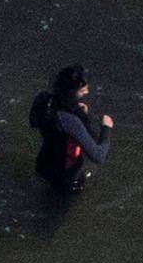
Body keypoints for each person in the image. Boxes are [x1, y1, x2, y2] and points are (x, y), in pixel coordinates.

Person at [27, 65, 113, 194]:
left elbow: (34, 122)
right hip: (66, 179)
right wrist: (107, 128)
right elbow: (98, 156)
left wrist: (75, 111)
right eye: (82, 90)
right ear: (71, 92)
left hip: (43, 167)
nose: (87, 92)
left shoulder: (43, 99)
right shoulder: (70, 121)